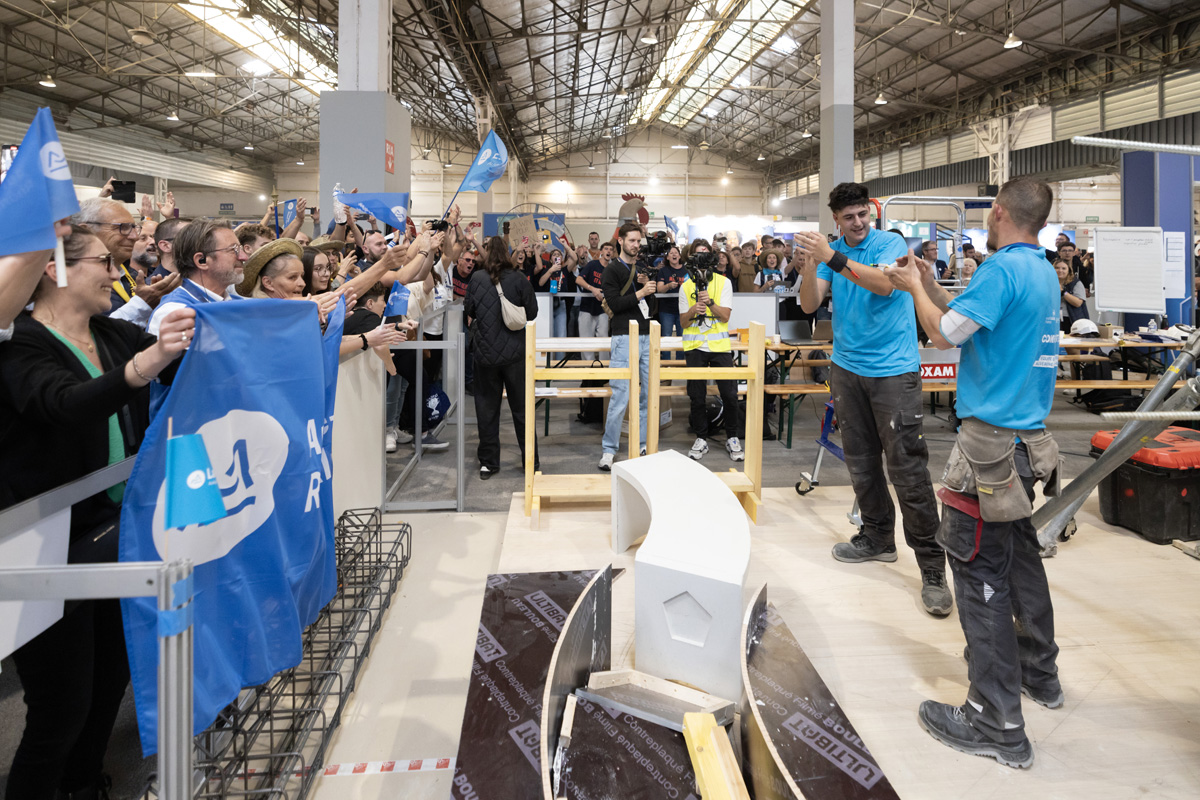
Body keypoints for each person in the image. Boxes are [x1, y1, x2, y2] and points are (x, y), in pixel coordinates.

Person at [0, 224, 195, 799]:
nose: (117, 273)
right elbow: (64, 404)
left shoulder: (110, 332)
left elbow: (185, 366)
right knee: (60, 702)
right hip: (41, 541)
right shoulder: (20, 346)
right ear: (55, 269)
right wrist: (146, 365)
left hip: (114, 531)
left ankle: (84, 784)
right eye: (104, 263)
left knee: (111, 677)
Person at [885, 177, 1063, 770]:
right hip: (1028, 441)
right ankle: (1038, 672)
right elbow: (970, 318)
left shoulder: (1001, 269)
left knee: (978, 570)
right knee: (1021, 560)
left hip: (989, 450)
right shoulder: (1040, 271)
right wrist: (931, 283)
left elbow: (943, 333)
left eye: (989, 213)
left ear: (1000, 212)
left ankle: (996, 720)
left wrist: (914, 288)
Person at [796, 181, 950, 617]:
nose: (858, 222)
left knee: (907, 470)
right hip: (847, 369)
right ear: (836, 219)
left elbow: (884, 286)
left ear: (871, 212)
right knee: (861, 463)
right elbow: (809, 305)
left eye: (863, 214)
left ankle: (932, 567)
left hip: (893, 370)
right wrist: (810, 266)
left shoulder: (890, 244)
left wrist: (831, 257)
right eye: (849, 217)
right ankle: (879, 537)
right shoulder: (832, 252)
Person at [464, 236, 540, 479]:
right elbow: (532, 312)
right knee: (522, 410)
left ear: (486, 253)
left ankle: (488, 463)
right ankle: (531, 462)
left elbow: (469, 310)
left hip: (485, 355)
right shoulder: (518, 278)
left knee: (487, 409)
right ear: (507, 253)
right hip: (516, 354)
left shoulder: (477, 278)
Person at [598, 222, 657, 471]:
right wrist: (642, 293)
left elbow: (652, 309)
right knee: (620, 395)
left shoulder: (642, 268)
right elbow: (614, 304)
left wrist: (648, 289)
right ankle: (609, 449)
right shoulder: (612, 270)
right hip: (623, 336)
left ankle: (642, 443)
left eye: (638, 241)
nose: (636, 245)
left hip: (646, 335)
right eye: (632, 240)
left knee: (647, 394)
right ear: (620, 241)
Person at [680, 251, 743, 461]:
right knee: (696, 396)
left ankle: (732, 437)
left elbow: (725, 316)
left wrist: (710, 303)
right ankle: (701, 438)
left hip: (719, 347)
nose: (701, 269)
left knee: (730, 395)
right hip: (694, 347)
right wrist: (692, 310)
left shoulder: (724, 283)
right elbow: (683, 322)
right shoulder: (685, 286)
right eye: (697, 264)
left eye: (705, 264)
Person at [576, 241, 614, 362]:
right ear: (601, 251)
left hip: (603, 309)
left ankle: (604, 369)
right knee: (586, 341)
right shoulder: (592, 264)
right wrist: (592, 289)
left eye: (611, 249)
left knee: (603, 340)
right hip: (587, 308)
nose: (608, 251)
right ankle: (588, 369)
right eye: (606, 249)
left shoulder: (612, 269)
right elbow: (578, 279)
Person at [1056, 259, 1088, 331]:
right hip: (1053, 318)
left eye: (1063, 268)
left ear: (1069, 271)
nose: (1060, 270)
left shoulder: (1076, 283)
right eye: (1057, 268)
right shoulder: (1048, 283)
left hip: (1071, 319)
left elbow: (1078, 303)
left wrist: (1063, 292)